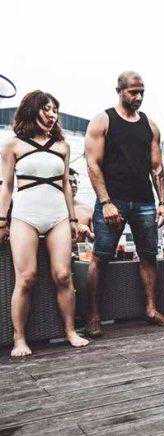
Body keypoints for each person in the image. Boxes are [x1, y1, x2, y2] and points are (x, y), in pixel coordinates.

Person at [84, 71, 164, 336]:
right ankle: (93, 316)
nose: (138, 97)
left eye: (141, 92)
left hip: (144, 201)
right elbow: (93, 164)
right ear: (120, 91)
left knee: (149, 255)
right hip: (113, 201)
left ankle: (151, 310)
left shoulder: (149, 125)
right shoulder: (103, 121)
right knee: (100, 257)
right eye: (133, 92)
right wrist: (105, 202)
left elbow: (157, 167)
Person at [0, 91, 90, 357]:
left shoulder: (62, 146)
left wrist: (72, 219)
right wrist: (2, 220)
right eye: (47, 109)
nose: (52, 115)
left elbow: (66, 186)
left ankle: (70, 331)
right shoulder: (13, 146)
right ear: (32, 110)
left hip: (58, 216)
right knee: (26, 278)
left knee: (63, 275)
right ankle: (19, 338)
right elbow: (6, 186)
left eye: (55, 110)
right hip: (25, 216)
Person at [68, 169, 94, 243]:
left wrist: (89, 233)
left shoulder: (87, 210)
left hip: (80, 249)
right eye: (69, 182)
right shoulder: (54, 209)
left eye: (75, 182)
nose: (74, 185)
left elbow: (99, 238)